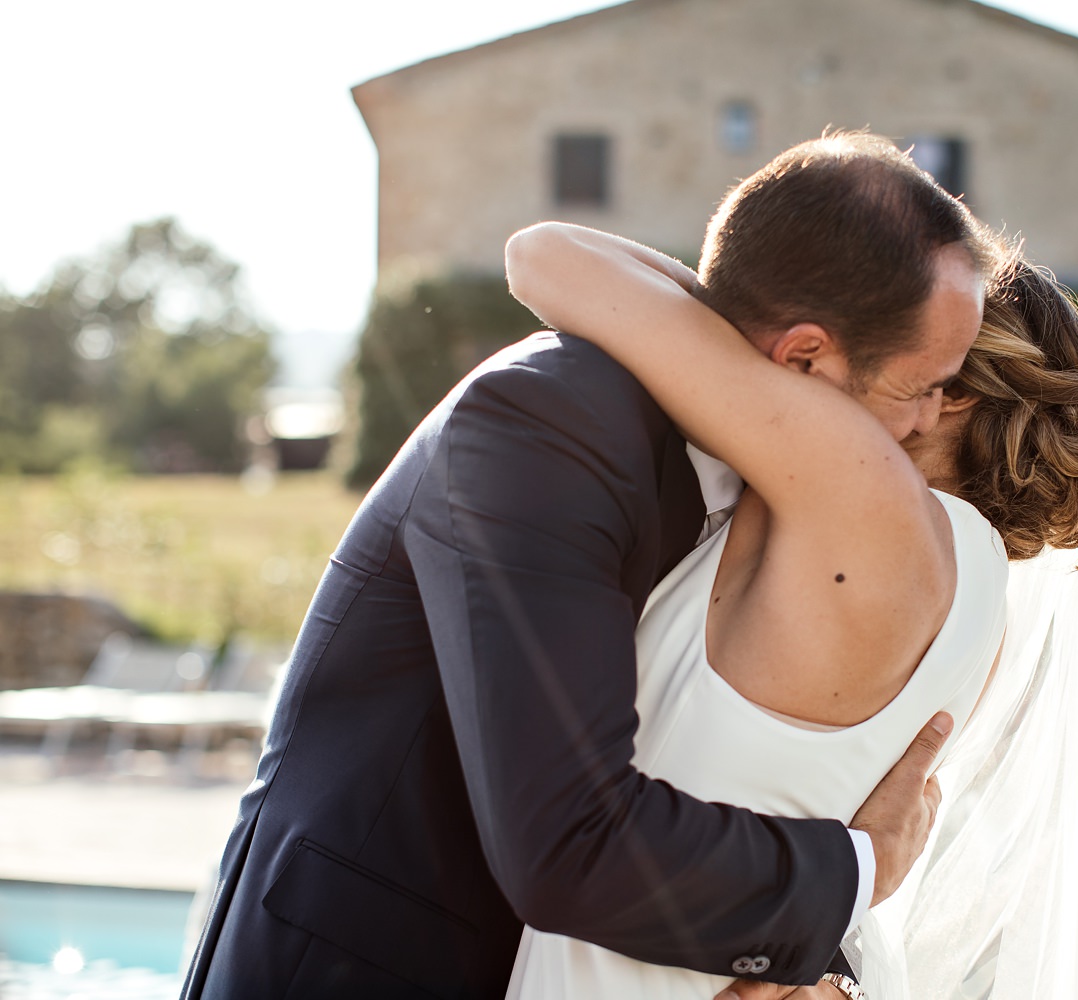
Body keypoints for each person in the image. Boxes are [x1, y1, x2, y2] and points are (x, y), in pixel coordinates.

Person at [179, 134, 986, 999]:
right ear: (801, 359)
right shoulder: (547, 425)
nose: (930, 423)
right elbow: (569, 843)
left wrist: (820, 971)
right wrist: (860, 870)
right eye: (920, 388)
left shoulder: (761, 497)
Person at [504, 215, 1078, 997]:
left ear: (950, 386)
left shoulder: (863, 498)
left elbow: (545, 256)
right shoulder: (973, 602)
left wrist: (742, 320)